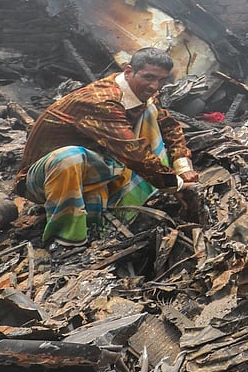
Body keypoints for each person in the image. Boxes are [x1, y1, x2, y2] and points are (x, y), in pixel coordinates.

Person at [13, 48, 199, 248]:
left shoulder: (142, 95)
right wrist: (175, 184)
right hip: (41, 181)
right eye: (149, 77)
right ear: (128, 71)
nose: (155, 86)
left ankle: (122, 204)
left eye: (162, 80)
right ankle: (67, 241)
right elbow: (133, 153)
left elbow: (170, 127)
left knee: (149, 112)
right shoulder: (102, 101)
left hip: (95, 164)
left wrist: (182, 167)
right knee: (69, 157)